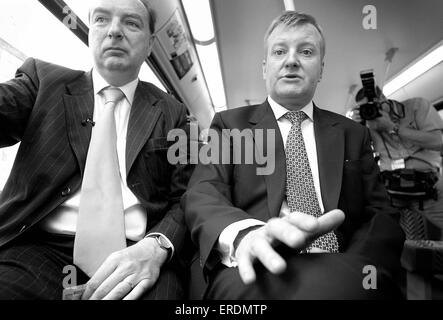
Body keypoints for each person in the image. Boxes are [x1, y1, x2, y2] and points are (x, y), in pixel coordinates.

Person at [183, 11, 405, 299]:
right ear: (265, 68)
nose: (291, 60)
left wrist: (362, 262)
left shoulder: (353, 134)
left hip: (345, 264)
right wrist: (244, 237)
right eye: (279, 51)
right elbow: (203, 191)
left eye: (306, 51)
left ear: (321, 69)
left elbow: (380, 214)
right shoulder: (229, 126)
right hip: (253, 266)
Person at [0, 0, 193, 299]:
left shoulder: (174, 113)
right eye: (102, 20)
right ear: (91, 33)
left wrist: (157, 245)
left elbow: (185, 196)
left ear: (151, 43)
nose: (114, 31)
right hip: (39, 248)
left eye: (131, 23)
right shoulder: (43, 82)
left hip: (137, 254)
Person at [350, 87, 443, 238]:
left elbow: (438, 142)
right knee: (390, 238)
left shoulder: (417, 107)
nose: (372, 111)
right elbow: (357, 158)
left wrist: (393, 128)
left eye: (374, 106)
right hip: (392, 190)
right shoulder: (368, 124)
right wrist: (357, 128)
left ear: (383, 98)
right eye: (365, 109)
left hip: (429, 185)